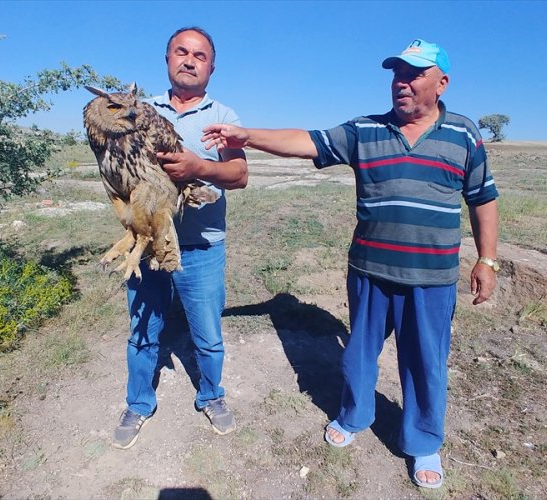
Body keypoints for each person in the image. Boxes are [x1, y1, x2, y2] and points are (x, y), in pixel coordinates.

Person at [201, 39, 498, 489]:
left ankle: (422, 442)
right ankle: (354, 415)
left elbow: (482, 198)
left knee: (426, 362)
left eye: (414, 73)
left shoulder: (463, 134)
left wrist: (487, 259)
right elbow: (308, 141)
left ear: (441, 83)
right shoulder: (365, 130)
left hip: (432, 278)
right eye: (397, 73)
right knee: (359, 354)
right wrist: (248, 136)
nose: (402, 81)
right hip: (370, 272)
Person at [112, 26, 248, 450]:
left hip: (203, 246)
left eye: (200, 55)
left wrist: (198, 168)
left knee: (207, 332)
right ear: (167, 59)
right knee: (141, 329)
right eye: (181, 52)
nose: (189, 60)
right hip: (147, 244)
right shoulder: (135, 109)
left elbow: (240, 175)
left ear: (211, 67)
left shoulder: (223, 116)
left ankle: (212, 396)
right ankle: (138, 403)